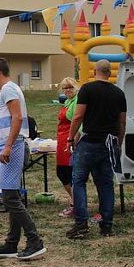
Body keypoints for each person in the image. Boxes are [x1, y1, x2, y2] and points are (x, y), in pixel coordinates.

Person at [0, 59, 46, 261]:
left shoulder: (8, 90)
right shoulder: (9, 90)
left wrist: (9, 146)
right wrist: (0, 145)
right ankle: (11, 243)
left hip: (16, 145)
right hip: (10, 145)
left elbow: (17, 117)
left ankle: (34, 241)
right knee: (12, 196)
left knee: (10, 197)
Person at [67, 59, 127, 238]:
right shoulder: (119, 93)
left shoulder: (87, 89)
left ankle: (81, 223)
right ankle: (106, 225)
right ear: (110, 73)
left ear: (95, 72)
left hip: (89, 142)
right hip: (108, 143)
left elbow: (78, 116)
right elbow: (122, 121)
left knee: (78, 181)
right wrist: (119, 142)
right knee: (105, 184)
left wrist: (71, 138)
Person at [56, 77, 79, 217]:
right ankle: (74, 200)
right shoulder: (66, 102)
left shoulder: (76, 102)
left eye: (70, 87)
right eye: (65, 88)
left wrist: (73, 139)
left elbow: (77, 122)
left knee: (67, 172)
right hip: (62, 140)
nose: (68, 90)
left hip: (69, 140)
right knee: (62, 172)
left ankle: (76, 203)